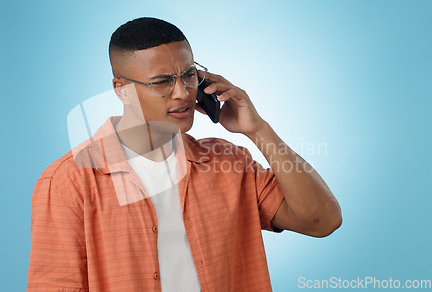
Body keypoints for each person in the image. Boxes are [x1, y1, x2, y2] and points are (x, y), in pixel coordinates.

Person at [27, 17, 342, 292]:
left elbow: (322, 221)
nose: (182, 93)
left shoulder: (229, 163)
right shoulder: (69, 182)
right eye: (162, 82)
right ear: (121, 89)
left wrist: (258, 130)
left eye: (189, 75)